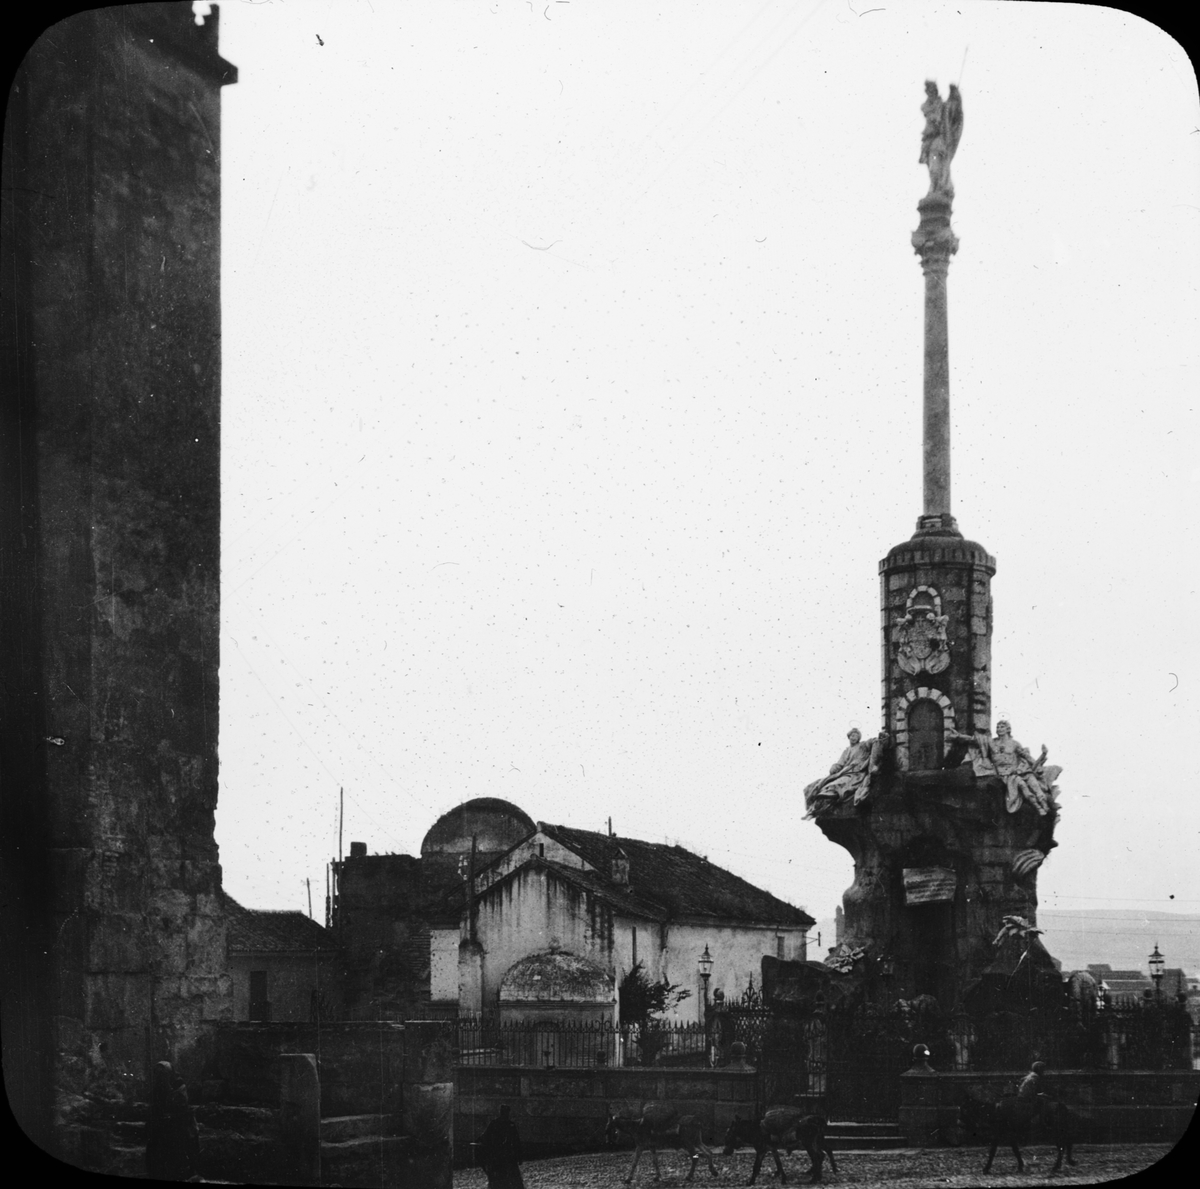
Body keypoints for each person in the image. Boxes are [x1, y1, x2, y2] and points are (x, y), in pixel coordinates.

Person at [145, 1060, 199, 1181]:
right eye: (158, 1074)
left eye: (162, 1074)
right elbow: (155, 1106)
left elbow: (181, 1105)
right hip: (162, 1127)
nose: (160, 1077)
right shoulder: (156, 1089)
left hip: (177, 1126)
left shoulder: (179, 1085)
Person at [803, 729, 874, 818]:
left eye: (856, 736)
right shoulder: (846, 750)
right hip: (844, 772)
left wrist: (879, 738)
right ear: (849, 737)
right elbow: (840, 763)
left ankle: (821, 806)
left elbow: (872, 742)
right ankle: (814, 809)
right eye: (852, 736)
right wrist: (835, 767)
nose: (853, 738)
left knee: (836, 786)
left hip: (856, 773)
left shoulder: (863, 745)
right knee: (819, 784)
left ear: (859, 738)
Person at [477, 1104, 524, 1189]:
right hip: (506, 1157)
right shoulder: (510, 1125)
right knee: (509, 1180)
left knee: (500, 1180)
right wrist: (519, 1157)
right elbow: (517, 1142)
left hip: (499, 1157)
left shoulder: (496, 1123)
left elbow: (485, 1137)